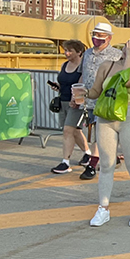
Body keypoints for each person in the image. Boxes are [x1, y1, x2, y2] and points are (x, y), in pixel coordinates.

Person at [86, 38, 130, 228]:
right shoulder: (107, 66)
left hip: (129, 117)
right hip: (106, 117)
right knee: (106, 164)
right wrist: (83, 93)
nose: (126, 49)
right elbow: (96, 91)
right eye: (126, 46)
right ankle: (103, 208)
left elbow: (126, 80)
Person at [76, 22, 122, 180]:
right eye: (94, 34)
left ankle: (92, 164)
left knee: (98, 131)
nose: (96, 38)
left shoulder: (116, 55)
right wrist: (79, 94)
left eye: (100, 35)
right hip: (89, 98)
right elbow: (83, 74)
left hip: (106, 99)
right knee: (92, 131)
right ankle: (111, 155)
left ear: (109, 38)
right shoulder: (88, 53)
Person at [50, 39, 88, 174]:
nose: (66, 53)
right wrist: (58, 87)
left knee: (68, 130)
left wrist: (76, 99)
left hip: (76, 103)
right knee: (75, 131)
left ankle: (65, 162)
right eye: (65, 50)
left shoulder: (84, 66)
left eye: (70, 51)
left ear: (79, 52)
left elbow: (82, 84)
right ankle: (87, 153)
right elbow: (64, 82)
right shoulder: (65, 65)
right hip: (63, 100)